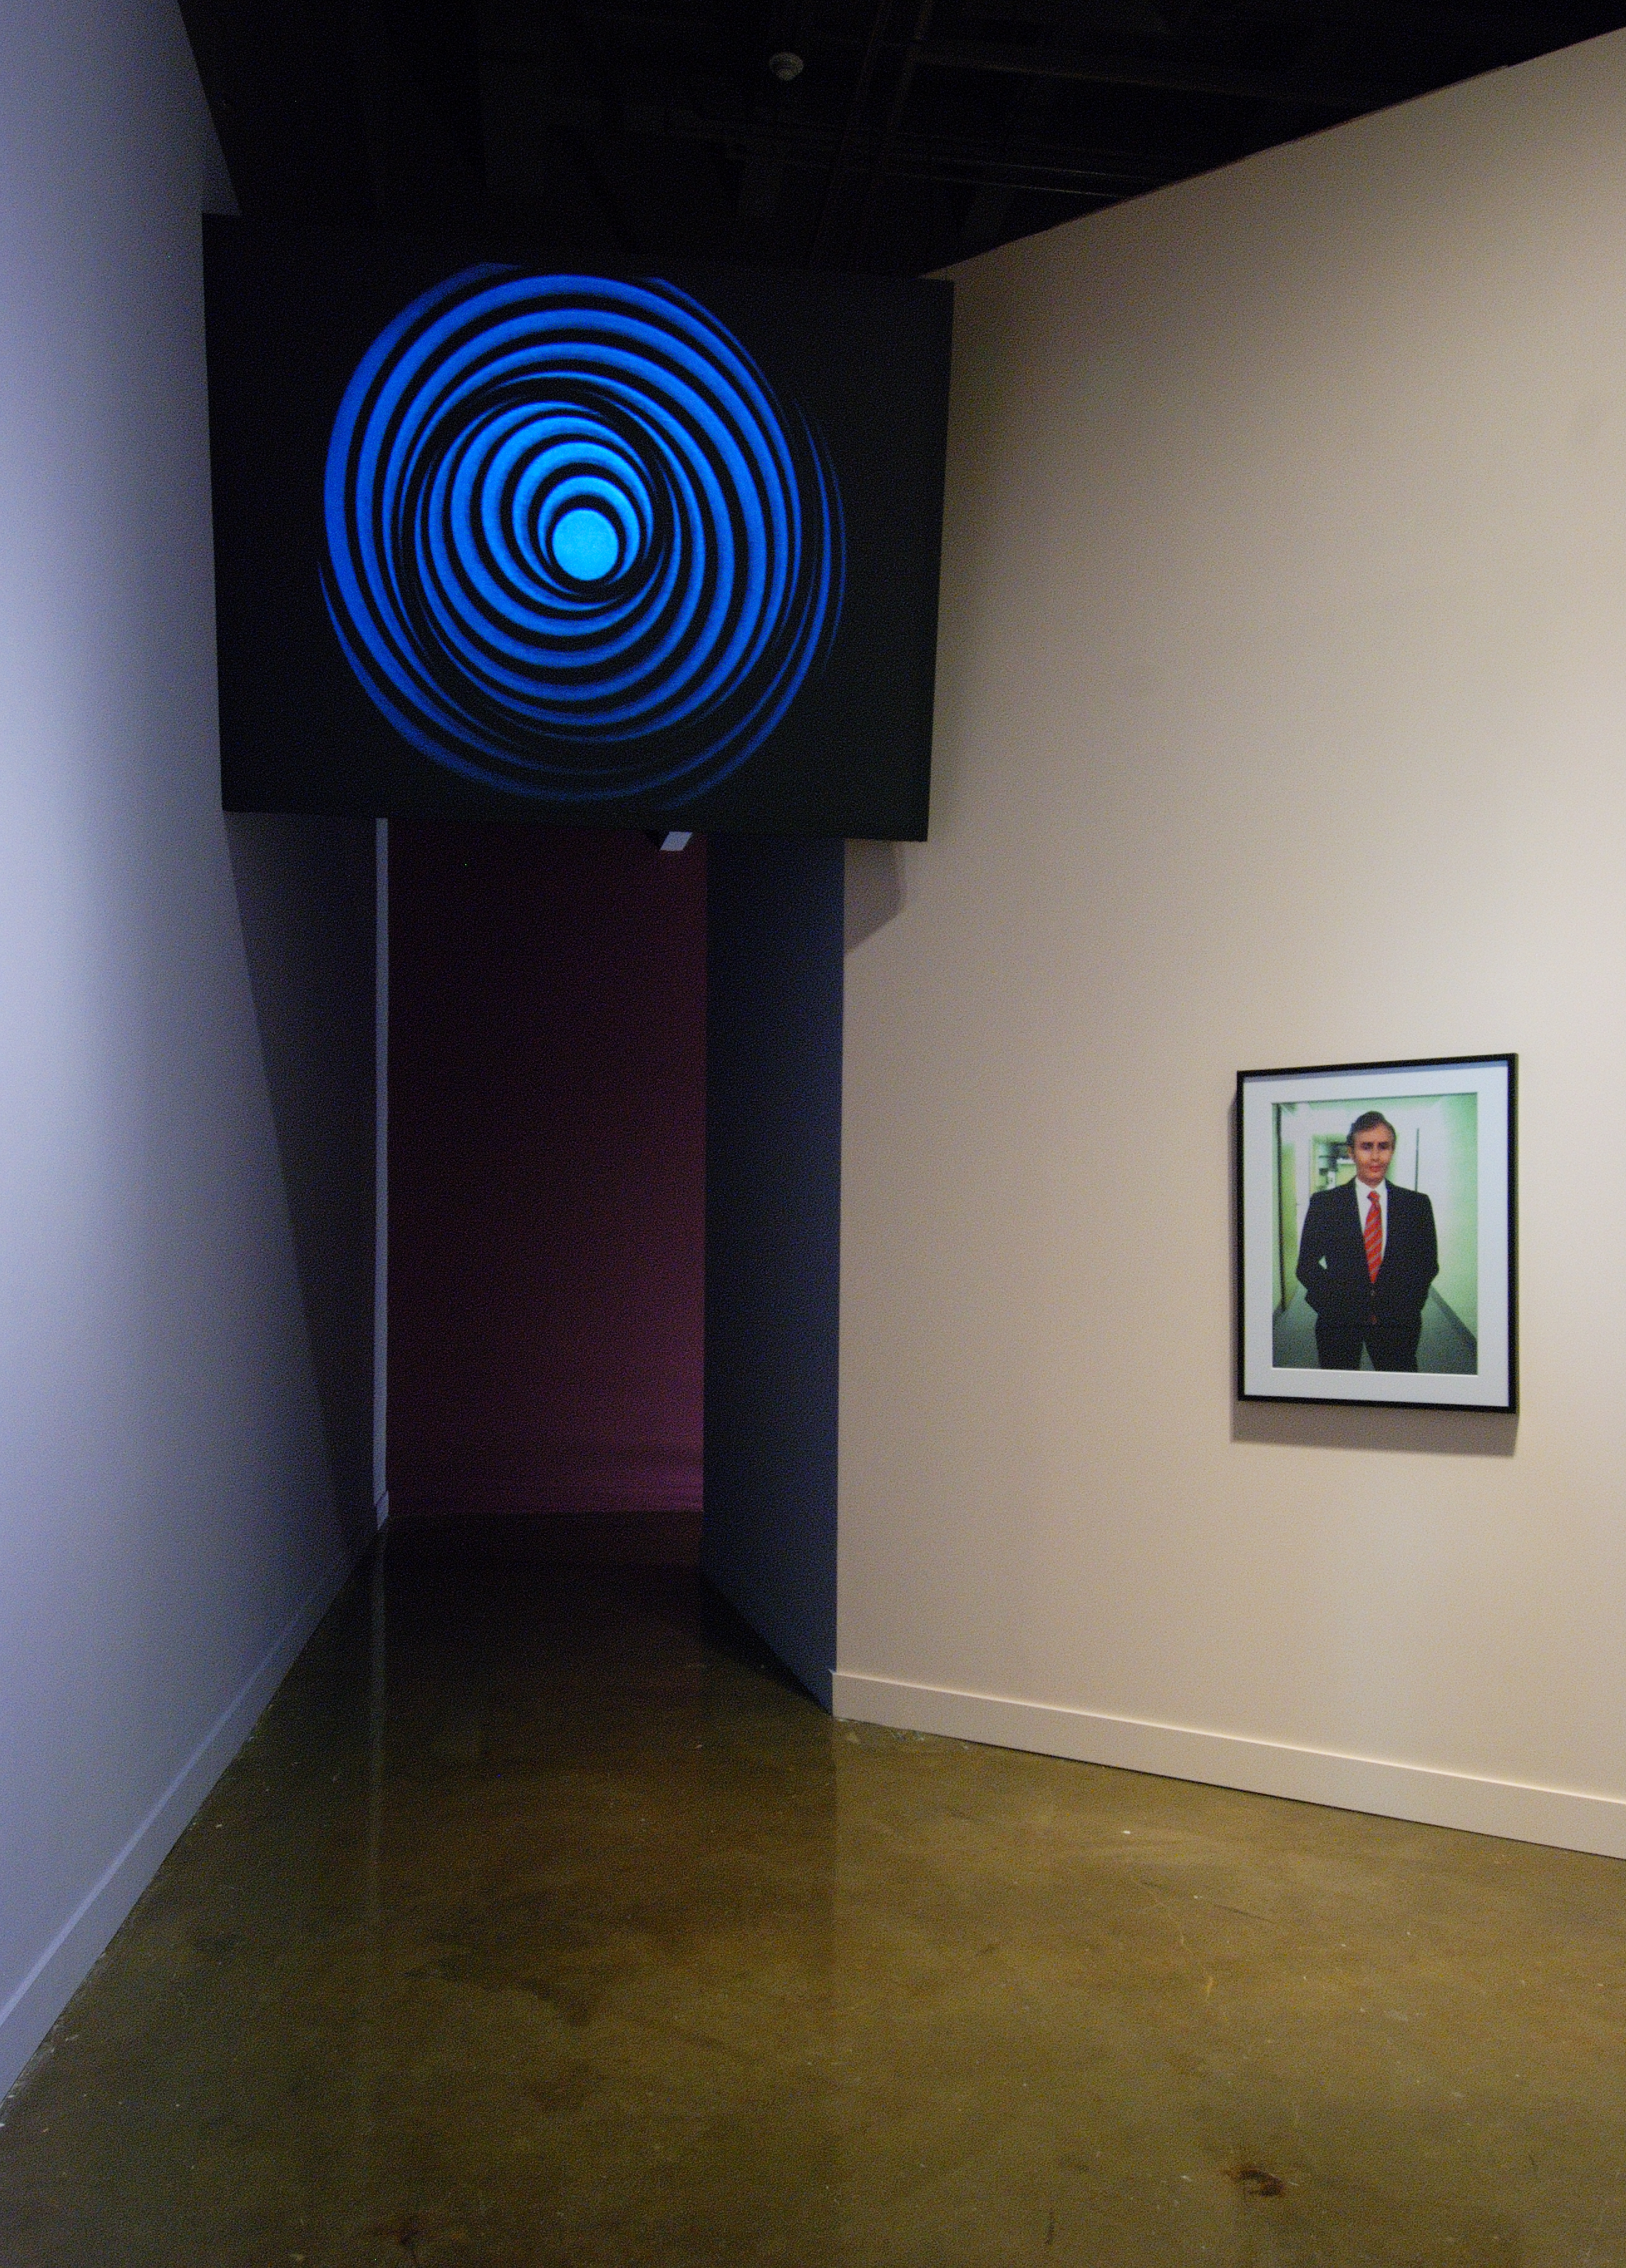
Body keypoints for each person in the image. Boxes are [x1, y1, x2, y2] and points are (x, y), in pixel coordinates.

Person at [1294, 1111, 1438, 1370]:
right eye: (1366, 1147)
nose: (1375, 1156)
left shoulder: (1416, 1205)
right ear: (1352, 1152)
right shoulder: (1325, 1204)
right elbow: (1306, 1266)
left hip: (1397, 1323)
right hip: (1339, 1322)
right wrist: (1335, 1305)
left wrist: (1409, 1305)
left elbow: (1427, 1265)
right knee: (1338, 1399)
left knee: (1399, 1397)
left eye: (1383, 1147)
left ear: (1392, 1151)